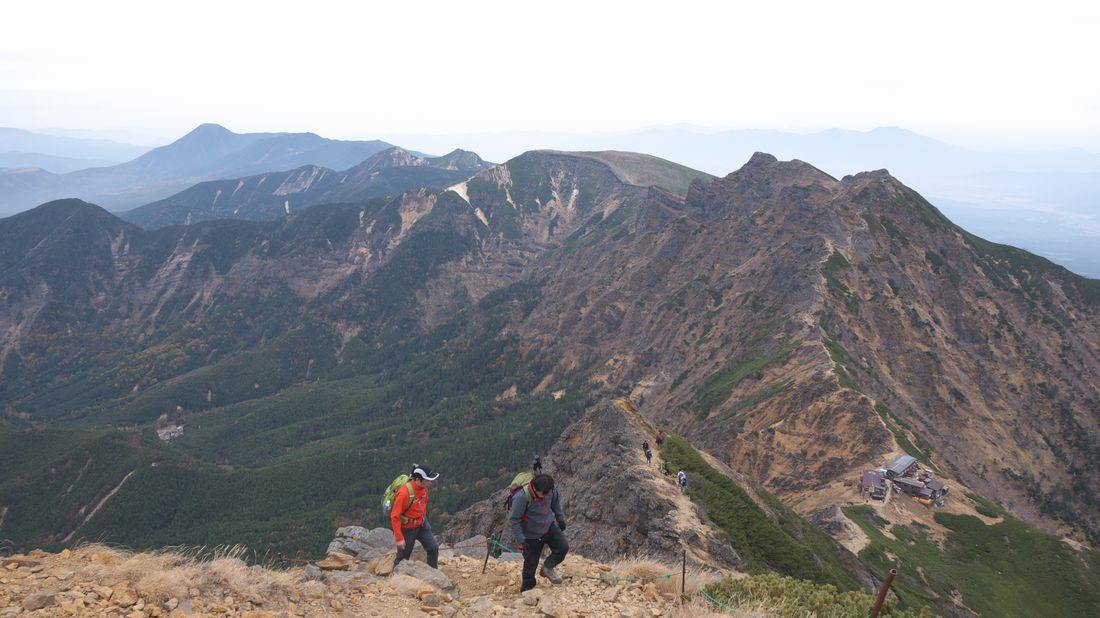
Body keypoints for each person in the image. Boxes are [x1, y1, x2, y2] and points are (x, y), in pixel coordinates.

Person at [509, 473, 568, 592]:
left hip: (548, 527)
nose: (548, 496)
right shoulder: (521, 498)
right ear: (536, 490)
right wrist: (522, 540)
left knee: (563, 548)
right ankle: (527, 592)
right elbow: (514, 520)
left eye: (549, 492)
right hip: (531, 536)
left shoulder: (550, 490)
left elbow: (555, 503)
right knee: (530, 568)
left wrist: (560, 519)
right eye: (545, 494)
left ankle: (547, 568)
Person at [391, 464, 441, 569]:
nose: (429, 483)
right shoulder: (404, 493)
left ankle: (433, 573)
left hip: (421, 523)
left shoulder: (423, 487)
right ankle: (394, 580)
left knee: (433, 548)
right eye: (427, 480)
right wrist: (399, 538)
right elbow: (395, 516)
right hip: (408, 528)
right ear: (418, 480)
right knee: (402, 558)